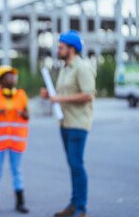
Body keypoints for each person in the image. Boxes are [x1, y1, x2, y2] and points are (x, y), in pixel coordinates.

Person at [41, 30, 96, 217]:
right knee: (73, 165)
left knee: (77, 164)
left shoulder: (82, 67)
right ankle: (73, 204)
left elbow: (88, 94)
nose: (58, 49)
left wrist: (59, 98)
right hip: (64, 123)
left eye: (61, 47)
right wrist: (50, 96)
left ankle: (81, 208)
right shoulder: (66, 68)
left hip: (78, 124)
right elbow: (61, 96)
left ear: (72, 49)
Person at [0, 65, 30, 214]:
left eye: (13, 76)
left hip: (16, 141)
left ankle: (20, 203)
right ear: (0, 80)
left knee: (17, 171)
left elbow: (27, 115)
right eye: (9, 76)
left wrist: (22, 113)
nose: (12, 79)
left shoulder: (22, 95)